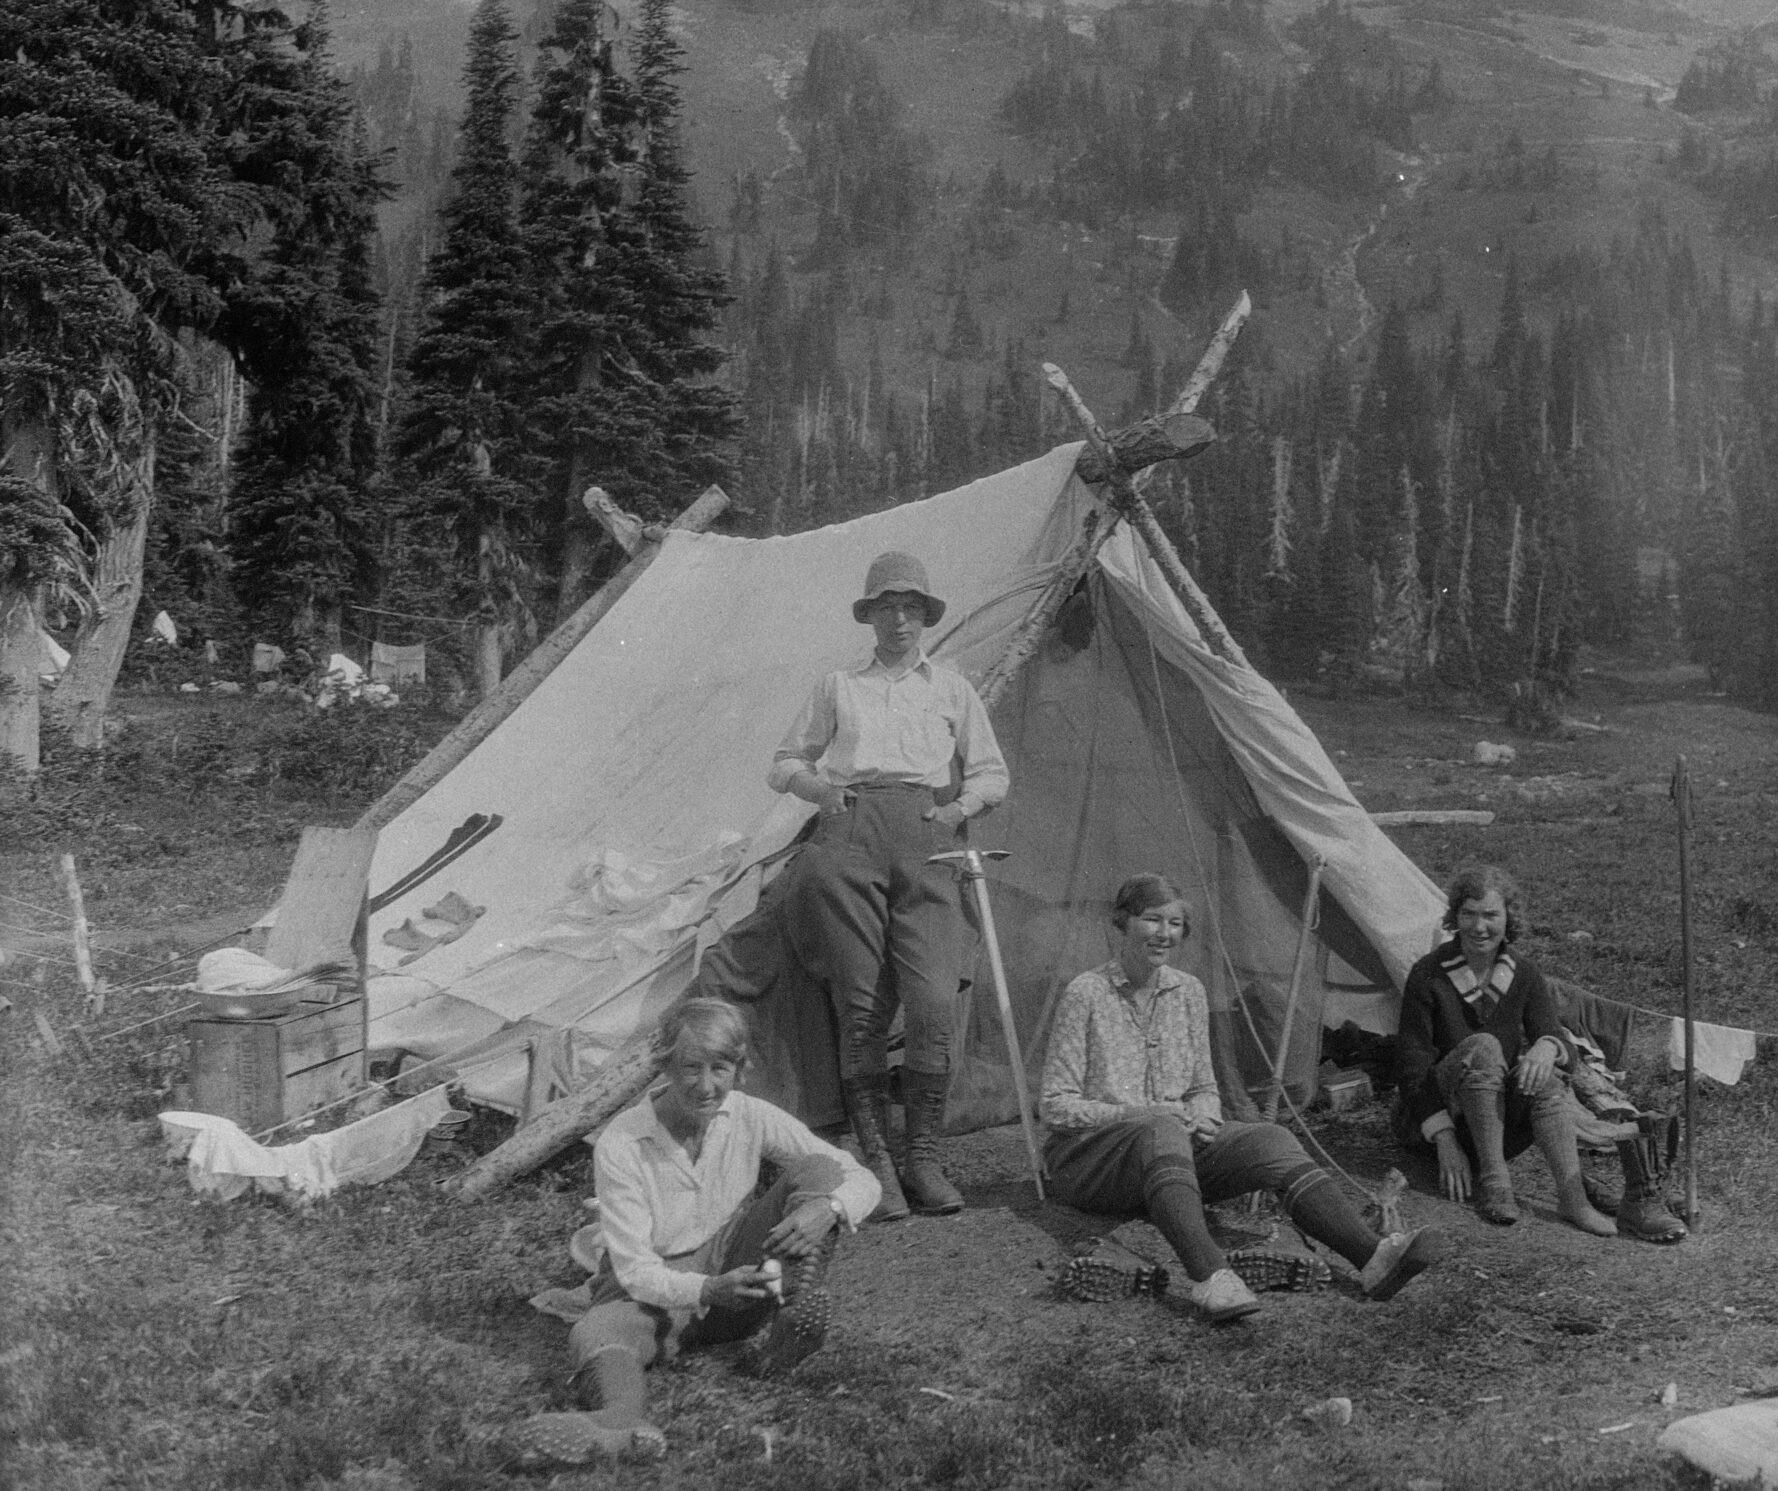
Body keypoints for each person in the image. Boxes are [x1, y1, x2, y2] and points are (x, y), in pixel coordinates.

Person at [1040, 873, 1453, 1322]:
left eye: (1175, 923)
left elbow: (1201, 1086)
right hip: (1089, 1163)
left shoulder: (1187, 992)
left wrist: (1204, 1115)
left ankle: (1373, 1259)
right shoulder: (1087, 993)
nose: (1164, 934)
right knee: (1160, 1129)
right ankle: (1210, 1278)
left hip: (1167, 1161)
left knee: (1270, 1139)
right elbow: (1056, 1105)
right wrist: (1147, 1113)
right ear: (1122, 923)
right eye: (1151, 920)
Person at [506, 999, 881, 1469]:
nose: (706, 1086)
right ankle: (618, 1425)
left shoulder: (750, 1114)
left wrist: (830, 1209)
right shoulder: (622, 1142)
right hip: (660, 1297)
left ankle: (790, 1318)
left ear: (740, 1069)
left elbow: (861, 1177)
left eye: (720, 1068)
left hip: (741, 1275)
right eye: (690, 1069)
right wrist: (706, 1288)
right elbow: (637, 1271)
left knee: (820, 1170)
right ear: (664, 1066)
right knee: (597, 1328)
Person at [767, 550, 1009, 1219]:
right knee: (862, 1004)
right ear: (870, 615)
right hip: (850, 837)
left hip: (927, 833)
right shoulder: (839, 684)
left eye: (910, 607)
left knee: (933, 1000)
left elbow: (991, 772)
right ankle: (876, 1162)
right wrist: (824, 789)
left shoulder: (951, 687)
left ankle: (923, 1158)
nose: (898, 620)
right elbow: (784, 762)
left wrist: (958, 811)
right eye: (886, 607)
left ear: (925, 616)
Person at [1394, 864, 1684, 1242]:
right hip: (1431, 1122)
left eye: (1490, 915)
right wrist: (1444, 1139)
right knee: (1485, 1046)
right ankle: (1495, 1183)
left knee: (1545, 1072)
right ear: (1455, 916)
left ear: (1508, 918)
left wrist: (1548, 1046)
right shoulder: (1429, 973)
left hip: (1496, 1126)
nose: (1479, 927)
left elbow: (1555, 1036)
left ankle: (1573, 1200)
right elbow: (1410, 1065)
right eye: (1468, 914)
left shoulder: (1523, 974)